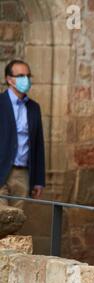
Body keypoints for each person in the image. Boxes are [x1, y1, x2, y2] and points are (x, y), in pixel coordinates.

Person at [0, 59, 45, 210]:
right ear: (9, 79)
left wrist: (39, 180)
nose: (25, 79)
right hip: (1, 170)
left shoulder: (34, 108)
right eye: (20, 75)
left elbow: (38, 145)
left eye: (27, 75)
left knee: (15, 224)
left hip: (22, 175)